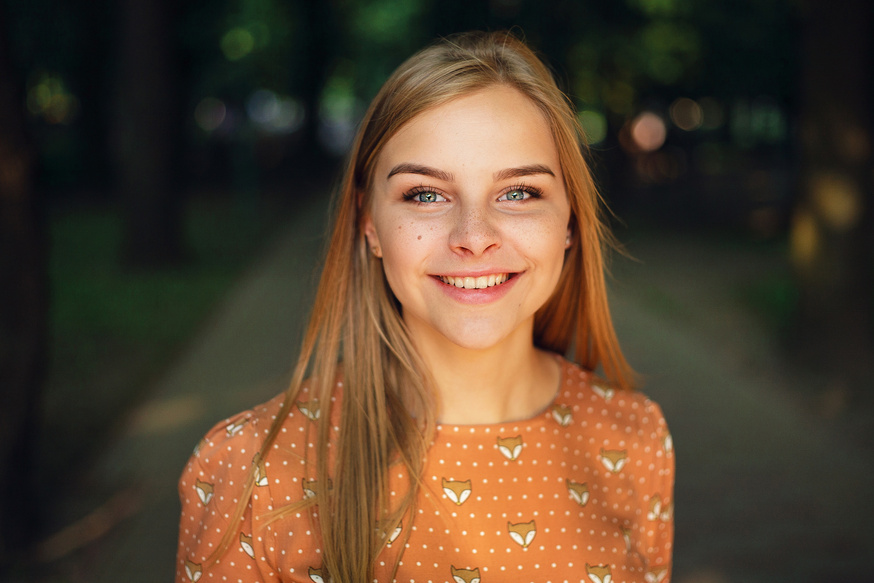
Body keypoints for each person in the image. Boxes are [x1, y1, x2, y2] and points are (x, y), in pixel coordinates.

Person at [176, 31, 674, 583]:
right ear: (370, 225)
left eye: (519, 192)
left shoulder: (636, 438)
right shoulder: (249, 468)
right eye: (425, 194)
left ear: (569, 224)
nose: (473, 236)